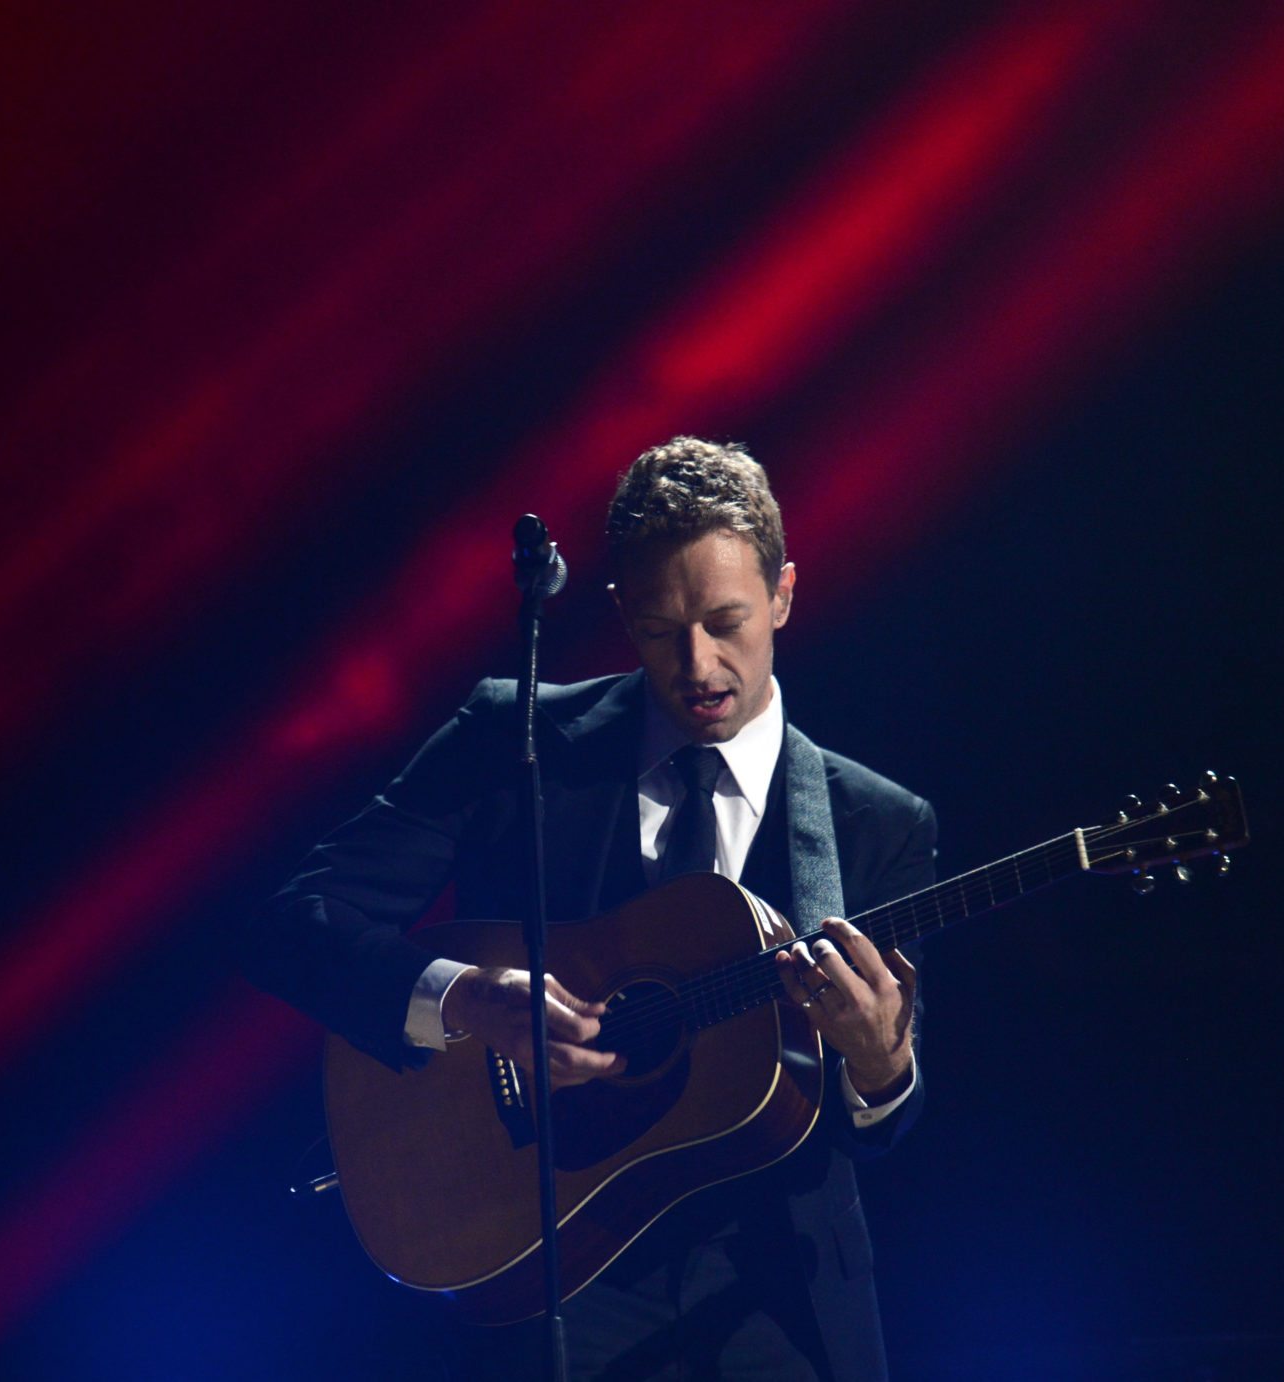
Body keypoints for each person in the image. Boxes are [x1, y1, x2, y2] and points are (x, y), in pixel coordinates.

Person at [250, 437, 937, 1380]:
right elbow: (292, 922)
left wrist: (881, 1063)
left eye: (726, 622)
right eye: (659, 630)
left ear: (782, 594)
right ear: (620, 613)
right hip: (546, 1269)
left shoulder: (877, 824)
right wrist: (467, 998)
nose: (697, 664)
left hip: (779, 1294)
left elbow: (885, 1123)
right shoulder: (513, 738)